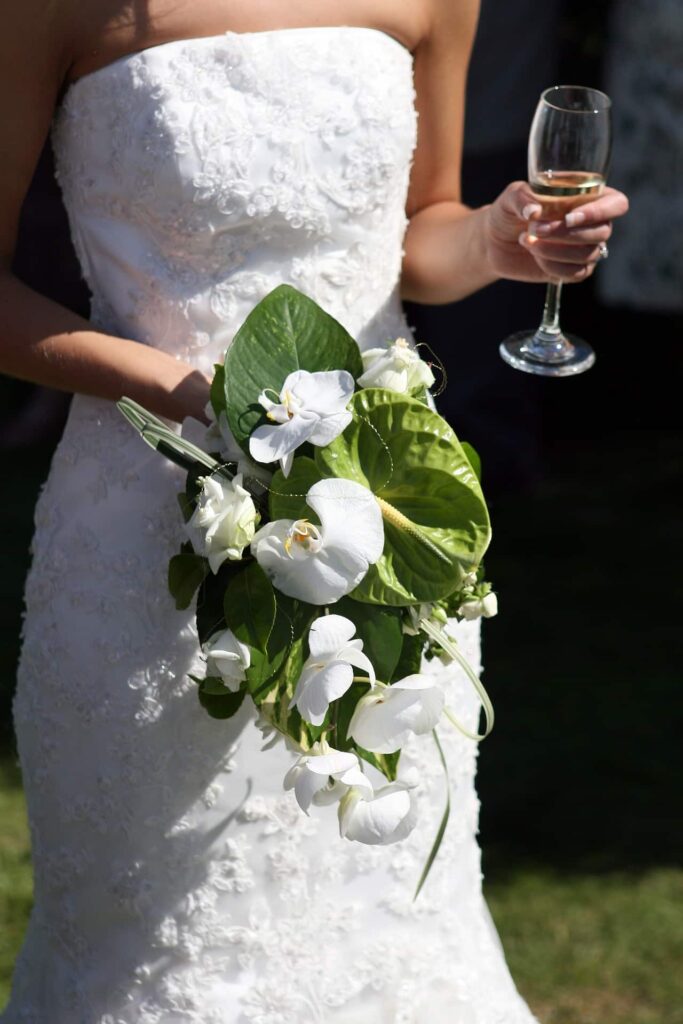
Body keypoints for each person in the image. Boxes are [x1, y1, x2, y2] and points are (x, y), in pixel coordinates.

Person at [0, 1, 628, 1020]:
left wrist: (495, 241)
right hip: (147, 526)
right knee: (161, 941)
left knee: (384, 913)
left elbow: (421, 235)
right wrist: (185, 393)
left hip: (376, 518)